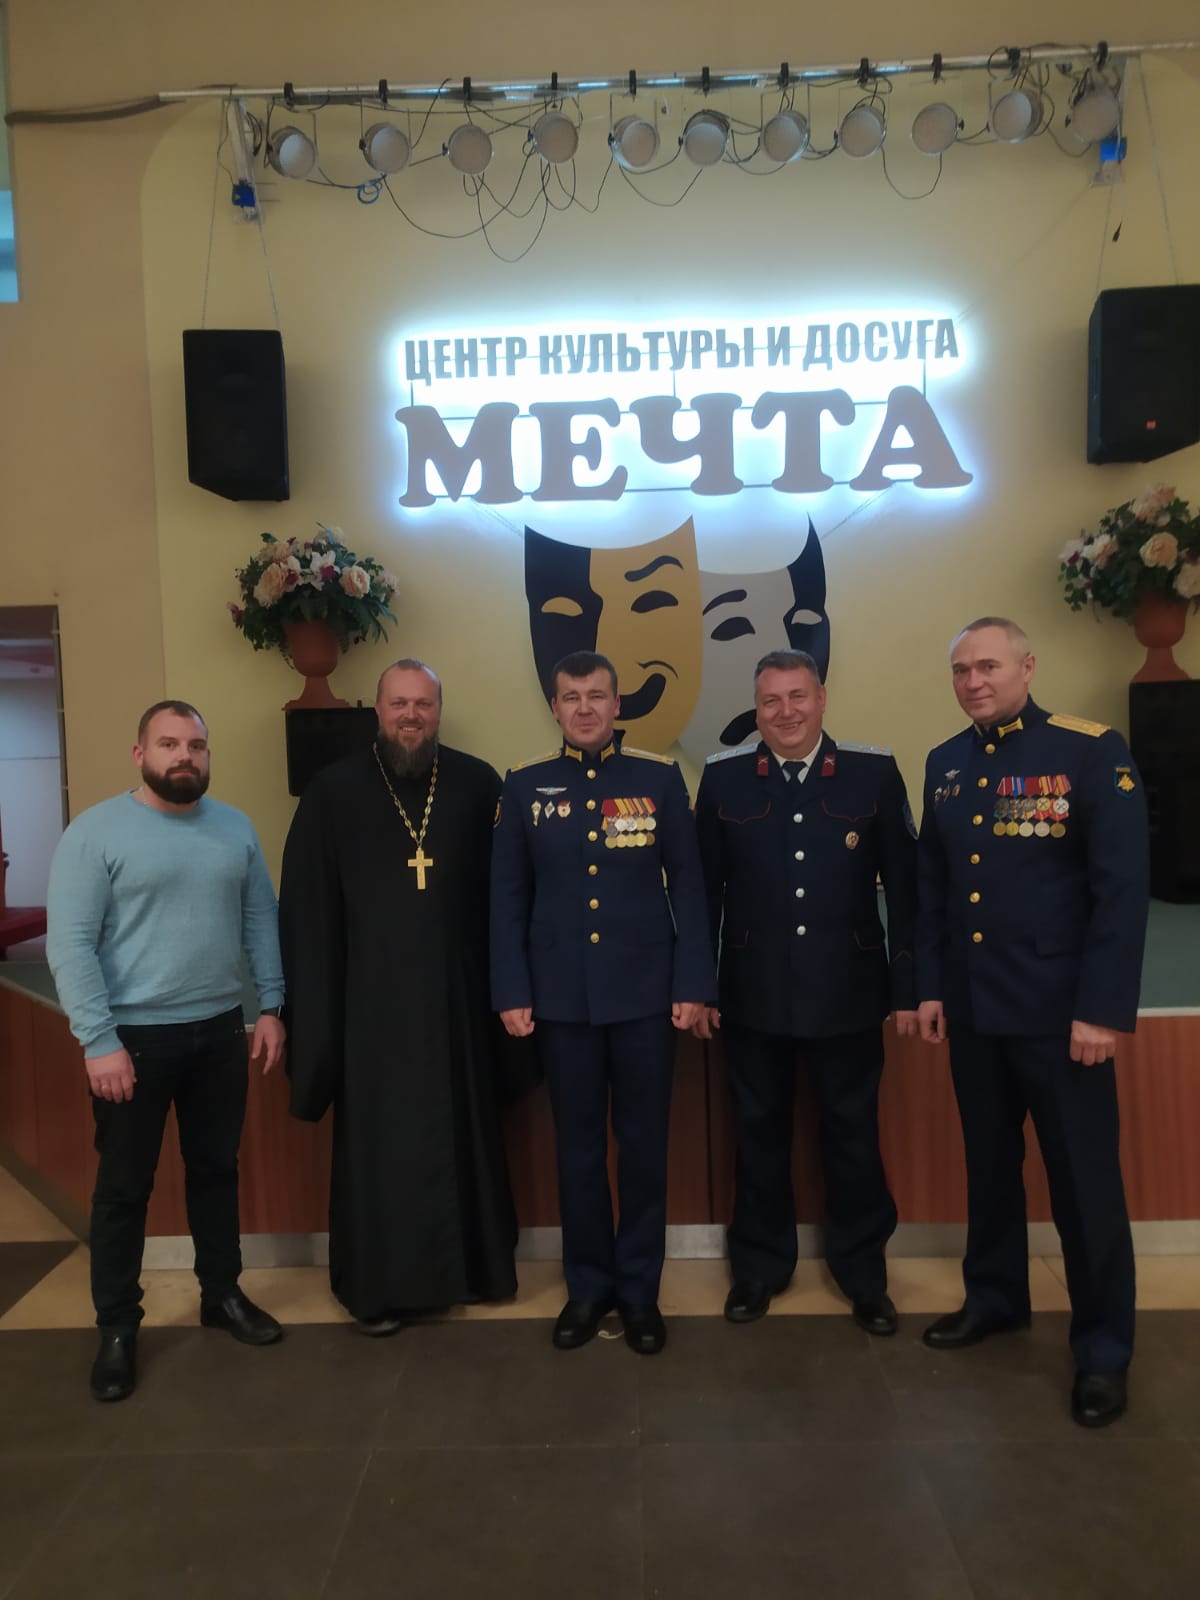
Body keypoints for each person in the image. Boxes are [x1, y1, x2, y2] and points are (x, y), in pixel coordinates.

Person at [916, 618, 1149, 1429]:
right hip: (975, 1008)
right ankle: (995, 1298)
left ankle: (1104, 1350)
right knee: (990, 1165)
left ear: (1027, 667)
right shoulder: (945, 764)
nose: (973, 682)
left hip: (1060, 1016)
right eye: (961, 670)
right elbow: (936, 888)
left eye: (988, 665)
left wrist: (1101, 1010)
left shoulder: (1089, 751)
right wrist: (932, 987)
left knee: (1084, 1184)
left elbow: (1121, 890)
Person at [46, 701, 286, 1404]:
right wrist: (98, 1041)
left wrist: (271, 1006)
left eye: (197, 745)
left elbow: (260, 918)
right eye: (170, 744)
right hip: (131, 1042)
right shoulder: (95, 833)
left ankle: (222, 1295)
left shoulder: (234, 828)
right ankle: (118, 1327)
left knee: (216, 1170)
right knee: (124, 1188)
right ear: (140, 753)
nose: (185, 756)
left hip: (219, 1030)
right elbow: (70, 945)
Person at [279, 659, 520, 1334]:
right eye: (398, 704)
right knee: (380, 1155)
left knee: (463, 1138)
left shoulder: (477, 784)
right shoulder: (332, 793)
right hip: (369, 1013)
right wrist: (317, 1016)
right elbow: (306, 912)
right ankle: (378, 1288)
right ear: (377, 711)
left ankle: (473, 1271)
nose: (411, 715)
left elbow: (509, 899)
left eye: (423, 704)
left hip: (458, 1004)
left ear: (438, 710)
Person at [491, 650, 714, 1354]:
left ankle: (640, 1291)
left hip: (646, 997)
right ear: (554, 708)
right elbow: (507, 898)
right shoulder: (525, 784)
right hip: (561, 1001)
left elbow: (690, 887)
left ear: (618, 705)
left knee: (644, 1147)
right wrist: (512, 988)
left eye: (596, 696)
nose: (584, 708)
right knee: (578, 1150)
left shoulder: (658, 778)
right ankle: (588, 1288)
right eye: (571, 697)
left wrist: (692, 983)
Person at [694, 649, 917, 1334]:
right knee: (758, 1133)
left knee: (852, 1134)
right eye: (771, 700)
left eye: (797, 696)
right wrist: (699, 986)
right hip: (753, 994)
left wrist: (910, 987)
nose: (785, 712)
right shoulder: (725, 779)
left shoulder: (873, 774)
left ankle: (864, 1273)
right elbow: (703, 896)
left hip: (848, 991)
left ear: (821, 699)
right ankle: (759, 1269)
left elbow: (907, 890)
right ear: (756, 709)